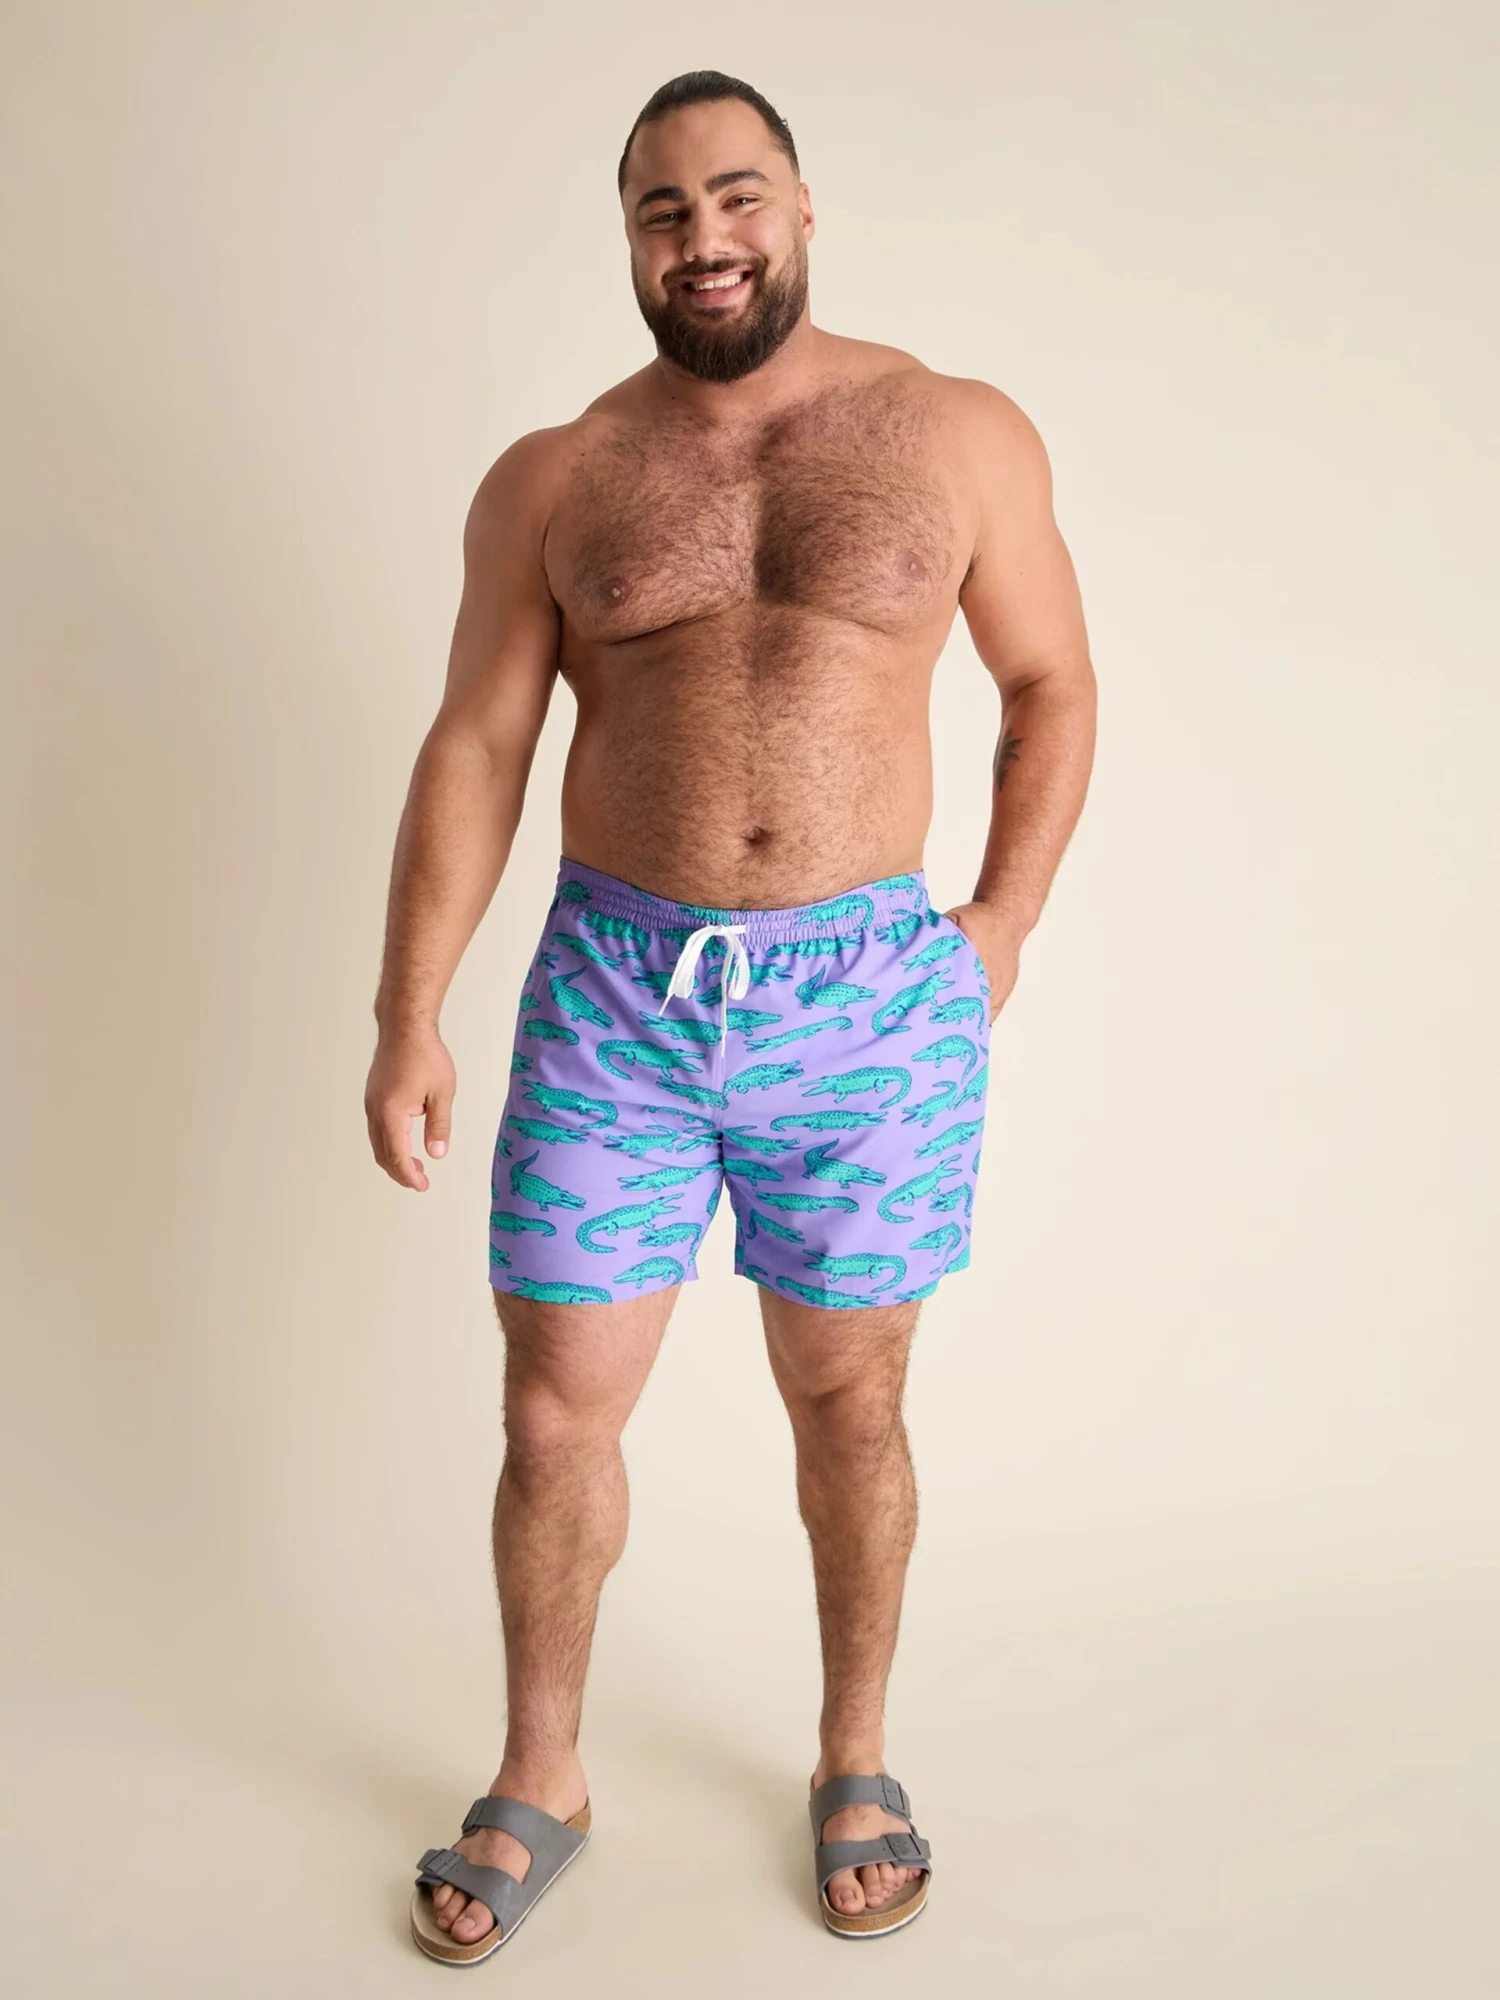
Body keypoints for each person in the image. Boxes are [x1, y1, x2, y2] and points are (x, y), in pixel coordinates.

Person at [365, 69, 1096, 1961]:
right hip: (617, 997)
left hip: (869, 1006)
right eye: (664, 209)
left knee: (852, 1397)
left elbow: (1051, 683)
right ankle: (542, 1773)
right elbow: (479, 745)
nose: (706, 239)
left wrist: (1000, 926)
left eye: (738, 195)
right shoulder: (555, 478)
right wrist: (409, 1010)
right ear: (629, 240)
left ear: (803, 208)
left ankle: (855, 1754)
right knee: (554, 1409)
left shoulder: (954, 432)